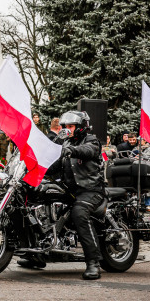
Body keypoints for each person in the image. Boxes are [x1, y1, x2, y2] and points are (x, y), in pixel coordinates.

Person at [46, 110, 106, 280]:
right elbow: (54, 167)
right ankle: (36, 254)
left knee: (79, 213)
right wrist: (36, 166)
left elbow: (87, 151)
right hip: (70, 191)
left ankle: (93, 263)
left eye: (70, 126)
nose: (67, 129)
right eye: (64, 126)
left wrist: (70, 150)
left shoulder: (91, 140)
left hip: (90, 190)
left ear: (81, 127)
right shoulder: (66, 144)